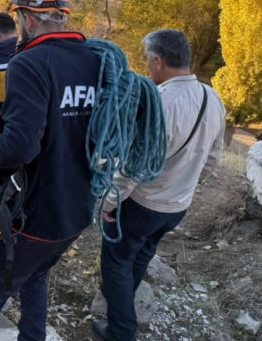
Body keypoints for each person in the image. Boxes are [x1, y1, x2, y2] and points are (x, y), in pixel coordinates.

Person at [0, 0, 100, 341]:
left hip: (34, 215)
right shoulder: (96, 60)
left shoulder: (30, 62)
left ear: (29, 18)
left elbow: (20, 147)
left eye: (20, 15)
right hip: (76, 211)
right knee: (36, 277)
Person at [93, 30, 226, 341]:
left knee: (116, 262)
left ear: (158, 61)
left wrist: (109, 203)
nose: (146, 68)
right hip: (178, 206)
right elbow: (214, 159)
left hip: (143, 204)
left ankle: (121, 331)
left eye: (148, 62)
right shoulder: (212, 98)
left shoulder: (160, 104)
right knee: (140, 255)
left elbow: (133, 167)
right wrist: (185, 183)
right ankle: (123, 302)